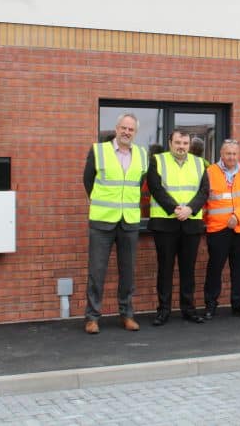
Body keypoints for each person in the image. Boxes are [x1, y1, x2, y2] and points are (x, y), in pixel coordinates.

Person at [82, 113, 148, 334]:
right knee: (96, 271)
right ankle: (92, 317)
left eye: (131, 129)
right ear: (117, 128)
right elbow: (88, 180)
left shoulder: (141, 154)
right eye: (124, 128)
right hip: (102, 220)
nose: (127, 132)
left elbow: (139, 184)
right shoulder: (99, 151)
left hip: (129, 221)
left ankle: (127, 314)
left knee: (127, 272)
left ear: (135, 133)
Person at [147, 129, 210, 326]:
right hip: (165, 223)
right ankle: (163, 310)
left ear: (189, 145)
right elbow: (155, 188)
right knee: (165, 269)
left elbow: (204, 191)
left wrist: (189, 209)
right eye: (178, 143)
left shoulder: (200, 163)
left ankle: (188, 309)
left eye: (185, 143)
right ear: (170, 142)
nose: (181, 147)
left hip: (191, 223)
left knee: (188, 270)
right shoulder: (158, 160)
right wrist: (175, 209)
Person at [203, 139, 240, 319]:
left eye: (235, 154)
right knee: (215, 268)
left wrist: (238, 216)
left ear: (238, 155)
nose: (232, 157)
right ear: (221, 154)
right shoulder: (210, 172)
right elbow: (204, 199)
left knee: (239, 268)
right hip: (217, 229)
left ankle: (238, 304)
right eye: (228, 153)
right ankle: (210, 305)